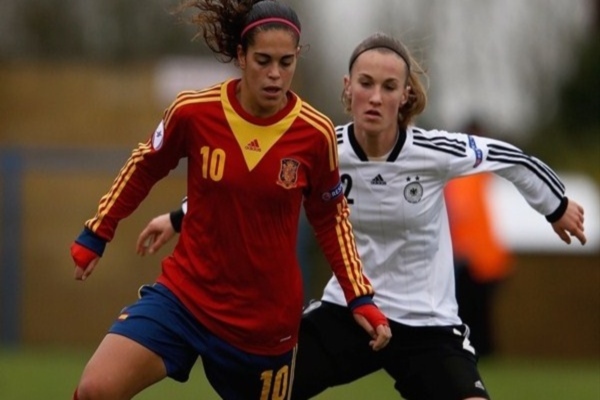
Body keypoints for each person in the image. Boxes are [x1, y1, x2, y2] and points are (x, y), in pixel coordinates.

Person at [138, 32, 587, 400]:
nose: (375, 97)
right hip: (348, 313)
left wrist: (556, 206)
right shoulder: (318, 147)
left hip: (427, 323)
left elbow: (510, 158)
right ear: (347, 87)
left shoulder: (432, 152)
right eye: (366, 83)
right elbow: (249, 184)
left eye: (388, 87)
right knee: (261, 390)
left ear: (405, 95)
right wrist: (179, 218)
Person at [69, 1, 392, 399]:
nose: (275, 74)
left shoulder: (315, 133)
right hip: (185, 299)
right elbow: (145, 166)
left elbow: (331, 218)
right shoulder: (194, 112)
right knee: (95, 389)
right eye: (263, 60)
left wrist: (359, 296)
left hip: (263, 327)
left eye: (286, 62)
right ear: (240, 57)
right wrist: (98, 230)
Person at [445, 120, 514, 357]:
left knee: (475, 312)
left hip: (476, 258)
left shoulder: (471, 177)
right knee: (475, 312)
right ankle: (480, 350)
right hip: (473, 258)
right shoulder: (470, 177)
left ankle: (479, 351)